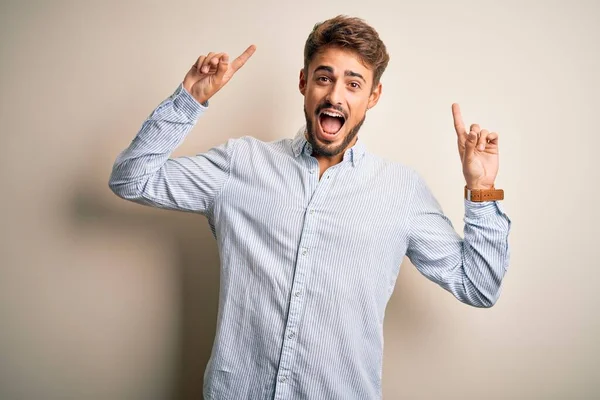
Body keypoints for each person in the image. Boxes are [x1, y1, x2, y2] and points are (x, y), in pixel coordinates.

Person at [109, 15, 511, 400]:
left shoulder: (400, 192)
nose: (335, 95)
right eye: (324, 78)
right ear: (304, 83)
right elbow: (131, 179)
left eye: (354, 84)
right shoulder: (242, 165)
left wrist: (482, 188)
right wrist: (190, 100)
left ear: (373, 96)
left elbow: (478, 286)